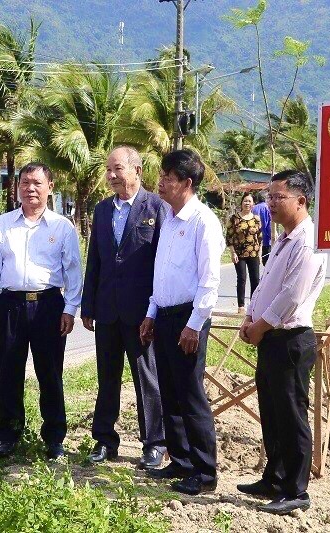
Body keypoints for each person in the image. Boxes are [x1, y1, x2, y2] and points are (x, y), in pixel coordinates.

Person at [237, 170, 327, 516]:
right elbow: (265, 286)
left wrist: (260, 325)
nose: (270, 204)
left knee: (291, 414)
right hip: (269, 335)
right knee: (272, 412)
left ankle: (296, 490)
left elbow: (292, 294)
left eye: (278, 197)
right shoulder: (284, 237)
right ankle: (274, 478)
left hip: (290, 338)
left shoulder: (309, 240)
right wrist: (250, 316)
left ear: (301, 201)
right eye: (268, 197)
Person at [0, 162, 82, 461]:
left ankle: (54, 438)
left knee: (50, 373)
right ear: (17, 187)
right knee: (9, 372)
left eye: (37, 183)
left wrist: (71, 308)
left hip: (49, 305)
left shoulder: (62, 227)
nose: (30, 188)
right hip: (9, 305)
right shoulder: (3, 224)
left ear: (50, 187)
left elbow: (73, 270)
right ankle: (9, 435)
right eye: (25, 182)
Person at [140, 149, 225, 496]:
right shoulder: (170, 219)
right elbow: (163, 275)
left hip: (189, 317)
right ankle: (182, 460)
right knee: (170, 392)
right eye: (161, 174)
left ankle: (205, 473)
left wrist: (194, 323)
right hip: (165, 315)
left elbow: (209, 280)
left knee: (191, 394)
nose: (160, 181)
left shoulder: (204, 222)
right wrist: (151, 313)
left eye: (168, 177)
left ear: (187, 183)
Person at [81, 146, 167, 469]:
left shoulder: (155, 207)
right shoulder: (102, 210)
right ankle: (104, 440)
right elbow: (96, 261)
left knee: (146, 376)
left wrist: (153, 312)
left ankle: (154, 443)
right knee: (107, 377)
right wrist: (88, 304)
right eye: (109, 170)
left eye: (118, 169)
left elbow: (161, 264)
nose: (112, 176)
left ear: (137, 171)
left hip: (141, 312)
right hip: (106, 310)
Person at [226, 193, 262, 313]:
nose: (247, 203)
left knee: (255, 279)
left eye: (249, 201)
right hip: (239, 254)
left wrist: (260, 253)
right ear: (241, 203)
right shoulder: (234, 218)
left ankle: (254, 305)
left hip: (253, 253)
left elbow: (260, 237)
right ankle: (241, 306)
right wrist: (232, 252)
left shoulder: (256, 219)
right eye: (245, 201)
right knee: (241, 278)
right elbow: (229, 236)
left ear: (253, 204)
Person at [251, 191, 272, 266]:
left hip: (254, 240)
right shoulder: (267, 208)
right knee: (268, 264)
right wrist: (273, 238)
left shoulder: (253, 208)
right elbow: (270, 225)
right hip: (266, 240)